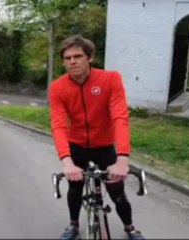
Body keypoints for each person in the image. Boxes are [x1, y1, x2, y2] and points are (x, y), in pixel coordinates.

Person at [48, 34, 144, 240]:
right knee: (74, 188)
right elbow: (58, 124)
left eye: (78, 56)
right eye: (67, 58)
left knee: (117, 191)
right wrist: (66, 162)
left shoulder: (110, 79)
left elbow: (120, 117)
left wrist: (122, 159)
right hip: (77, 146)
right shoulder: (58, 87)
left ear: (90, 57)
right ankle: (73, 224)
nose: (72, 61)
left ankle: (130, 227)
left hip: (104, 145)